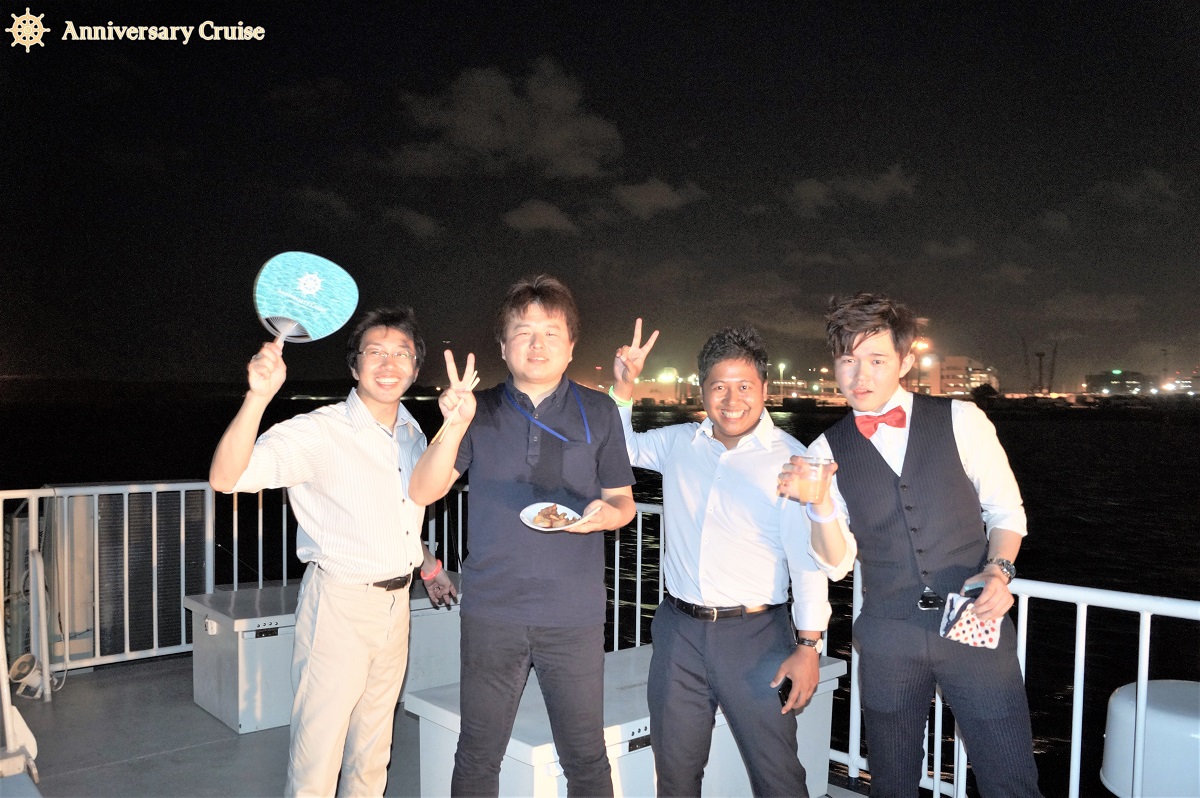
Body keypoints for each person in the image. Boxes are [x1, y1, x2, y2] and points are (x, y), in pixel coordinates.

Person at [779, 292, 1043, 798]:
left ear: (904, 361)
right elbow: (836, 563)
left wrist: (999, 569)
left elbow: (1006, 511)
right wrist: (820, 504)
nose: (860, 375)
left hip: (974, 618)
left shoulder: (962, 419)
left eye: (877, 360)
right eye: (848, 360)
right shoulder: (825, 449)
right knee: (892, 781)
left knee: (1009, 776)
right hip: (888, 634)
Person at [209, 307, 458, 797]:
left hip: (397, 605)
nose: (388, 364)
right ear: (354, 365)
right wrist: (258, 398)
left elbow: (398, 516)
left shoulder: (412, 432)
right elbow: (226, 477)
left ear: (415, 369)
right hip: (339, 605)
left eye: (401, 354)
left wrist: (429, 567)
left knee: (373, 748)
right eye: (375, 352)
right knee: (317, 753)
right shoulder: (318, 432)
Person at [408, 275, 637, 797]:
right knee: (477, 753)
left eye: (551, 332)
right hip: (492, 610)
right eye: (523, 332)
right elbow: (422, 491)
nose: (537, 344)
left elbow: (624, 502)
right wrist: (453, 424)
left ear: (571, 345)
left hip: (574, 614)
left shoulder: (599, 410)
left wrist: (606, 515)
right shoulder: (479, 409)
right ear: (503, 346)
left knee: (585, 757)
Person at [609, 320, 856, 798]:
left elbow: (808, 562)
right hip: (679, 631)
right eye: (718, 386)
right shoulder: (681, 442)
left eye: (744, 386)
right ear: (702, 390)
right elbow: (622, 448)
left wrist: (809, 646)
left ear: (764, 388)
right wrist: (623, 389)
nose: (731, 399)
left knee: (777, 775)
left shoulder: (791, 460)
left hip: (756, 637)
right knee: (675, 773)